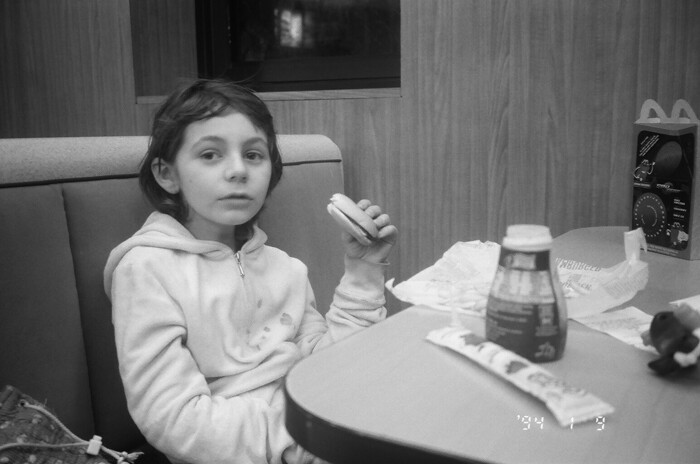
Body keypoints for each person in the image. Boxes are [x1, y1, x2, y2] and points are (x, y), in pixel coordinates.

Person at [103, 79, 398, 464]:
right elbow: (173, 418)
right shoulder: (146, 270)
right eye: (210, 154)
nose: (238, 170)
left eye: (254, 155)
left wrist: (363, 270)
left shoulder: (286, 268)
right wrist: (301, 436)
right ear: (167, 174)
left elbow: (330, 366)